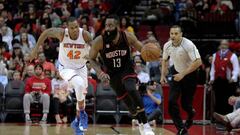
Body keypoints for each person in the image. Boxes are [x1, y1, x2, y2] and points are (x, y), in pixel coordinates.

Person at [88, 14, 155, 135]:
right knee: (130, 107)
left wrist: (152, 53)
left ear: (117, 27)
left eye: (111, 25)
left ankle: (146, 125)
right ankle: (140, 122)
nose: (107, 28)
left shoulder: (127, 37)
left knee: (131, 89)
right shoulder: (99, 40)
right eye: (106, 25)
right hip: (112, 74)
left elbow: (143, 49)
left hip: (126, 69)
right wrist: (100, 72)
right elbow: (91, 59)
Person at [30, 17, 92, 135]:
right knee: (78, 83)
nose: (74, 30)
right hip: (65, 68)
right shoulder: (62, 33)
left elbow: (95, 48)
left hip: (81, 68)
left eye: (76, 27)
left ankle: (78, 122)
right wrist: (35, 50)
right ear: (67, 27)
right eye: (72, 28)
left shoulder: (85, 35)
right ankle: (83, 115)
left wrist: (94, 59)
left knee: (81, 96)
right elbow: (46, 32)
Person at [160, 25, 202, 135]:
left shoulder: (188, 44)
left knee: (185, 104)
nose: (173, 36)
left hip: (190, 74)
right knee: (171, 101)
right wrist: (162, 75)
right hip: (176, 72)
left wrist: (183, 74)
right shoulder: (167, 45)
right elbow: (164, 60)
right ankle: (181, 128)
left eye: (176, 33)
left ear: (181, 34)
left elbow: (198, 62)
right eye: (171, 33)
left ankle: (191, 113)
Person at [209, 39, 239, 115]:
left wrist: (233, 78)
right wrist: (212, 78)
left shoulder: (233, 56)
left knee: (228, 99)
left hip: (228, 81)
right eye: (222, 44)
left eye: (225, 44)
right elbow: (213, 68)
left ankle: (227, 116)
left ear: (228, 46)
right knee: (219, 99)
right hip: (218, 80)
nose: (223, 46)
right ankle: (219, 117)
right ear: (220, 45)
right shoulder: (215, 55)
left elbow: (236, 69)